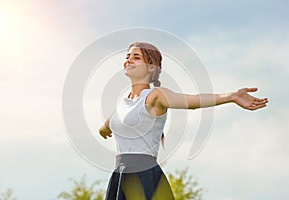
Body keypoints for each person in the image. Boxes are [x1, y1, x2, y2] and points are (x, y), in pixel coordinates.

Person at [99, 42, 268, 200]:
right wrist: (104, 129)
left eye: (136, 57)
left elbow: (193, 101)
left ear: (151, 67)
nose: (129, 60)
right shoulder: (123, 103)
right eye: (127, 56)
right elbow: (107, 126)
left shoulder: (156, 96)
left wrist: (231, 96)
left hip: (144, 175)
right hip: (120, 175)